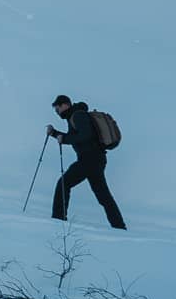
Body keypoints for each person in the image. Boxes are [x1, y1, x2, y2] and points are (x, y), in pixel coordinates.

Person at [48, 95, 126, 230]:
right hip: (95, 159)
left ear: (65, 105)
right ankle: (119, 227)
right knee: (103, 196)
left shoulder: (78, 116)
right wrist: (55, 133)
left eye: (57, 109)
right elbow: (76, 137)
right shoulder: (76, 115)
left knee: (64, 183)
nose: (57, 112)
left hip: (89, 159)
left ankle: (58, 219)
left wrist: (64, 138)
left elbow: (85, 135)